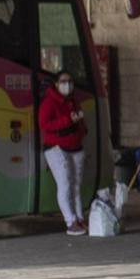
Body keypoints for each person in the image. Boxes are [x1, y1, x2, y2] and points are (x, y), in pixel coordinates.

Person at [37, 70, 89, 235]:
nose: (68, 85)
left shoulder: (73, 100)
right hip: (56, 148)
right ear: (57, 84)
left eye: (70, 81)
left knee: (76, 185)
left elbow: (80, 122)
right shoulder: (49, 102)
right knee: (65, 184)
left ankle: (80, 218)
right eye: (64, 81)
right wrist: (68, 121)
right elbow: (44, 125)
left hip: (76, 147)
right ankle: (70, 221)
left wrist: (81, 130)